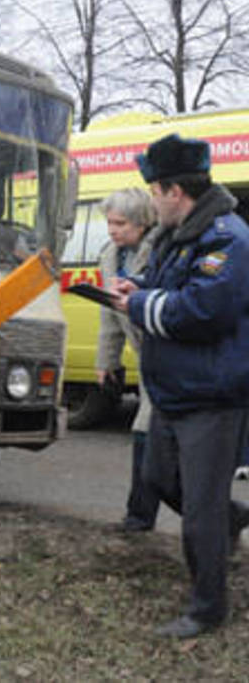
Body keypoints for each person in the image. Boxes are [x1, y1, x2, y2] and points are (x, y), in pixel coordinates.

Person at [111, 133, 249, 639]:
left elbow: (204, 309)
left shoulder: (227, 238)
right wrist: (140, 289)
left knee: (199, 514)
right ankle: (230, 518)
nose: (150, 199)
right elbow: (173, 289)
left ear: (174, 190)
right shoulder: (182, 232)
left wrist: (140, 306)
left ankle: (207, 608)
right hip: (177, 391)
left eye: (153, 189)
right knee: (159, 479)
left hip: (211, 396)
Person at [96, 188, 160, 532]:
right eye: (109, 222)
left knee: (147, 431)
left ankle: (139, 517)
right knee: (149, 434)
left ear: (141, 222)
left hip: (168, 356)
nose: (112, 230)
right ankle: (139, 516)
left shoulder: (160, 250)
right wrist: (106, 361)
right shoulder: (109, 255)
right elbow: (110, 316)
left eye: (120, 223)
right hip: (146, 357)